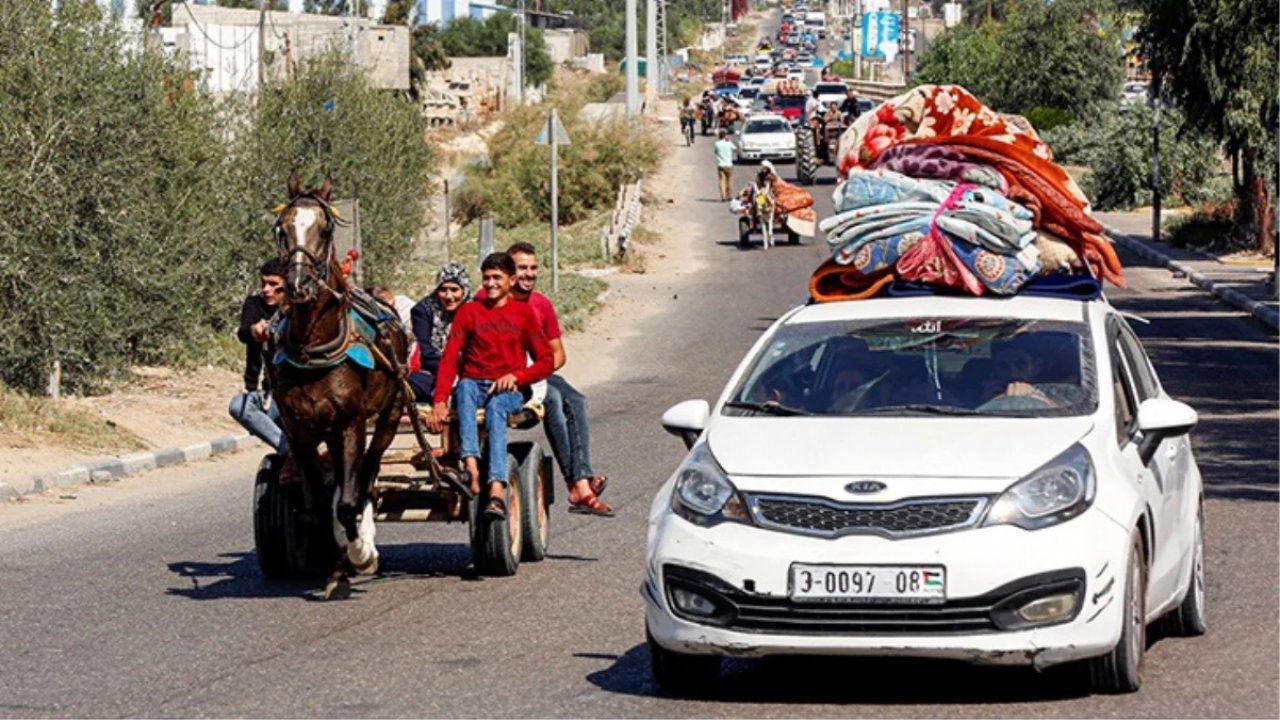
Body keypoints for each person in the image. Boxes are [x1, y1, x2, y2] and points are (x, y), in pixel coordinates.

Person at [427, 253, 555, 518]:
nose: (491, 283)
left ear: (511, 280)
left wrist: (518, 377)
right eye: (486, 278)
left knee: (496, 408)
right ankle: (471, 467)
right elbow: (450, 357)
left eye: (497, 277)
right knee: (463, 390)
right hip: (474, 383)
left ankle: (496, 487)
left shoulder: (524, 314)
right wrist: (440, 400)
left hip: (510, 390)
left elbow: (546, 361)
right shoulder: (469, 311)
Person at [505, 242, 613, 517]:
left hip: (536, 373)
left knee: (575, 399)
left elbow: (558, 354)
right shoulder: (494, 300)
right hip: (505, 374)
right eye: (522, 269)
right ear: (508, 271)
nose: (529, 274)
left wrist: (535, 373)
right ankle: (577, 485)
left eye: (533, 268)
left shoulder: (541, 304)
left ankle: (582, 478)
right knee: (553, 398)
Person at [229, 259, 288, 454]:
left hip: (296, 392)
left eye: (273, 285)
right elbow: (244, 333)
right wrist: (255, 330)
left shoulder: (297, 310)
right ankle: (289, 451)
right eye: (263, 283)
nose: (266, 289)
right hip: (270, 394)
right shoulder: (254, 304)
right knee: (239, 407)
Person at [408, 262, 472, 402]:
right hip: (435, 370)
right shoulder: (423, 311)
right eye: (443, 290)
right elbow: (425, 353)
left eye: (454, 290)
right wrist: (449, 370)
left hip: (469, 372)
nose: (449, 296)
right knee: (412, 382)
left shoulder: (475, 310)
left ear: (465, 290)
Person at [714, 129, 736, 202]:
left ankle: (723, 196)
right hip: (729, 164)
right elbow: (735, 149)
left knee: (721, 181)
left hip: (721, 165)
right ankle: (728, 195)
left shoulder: (717, 144)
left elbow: (716, 152)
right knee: (729, 181)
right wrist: (729, 141)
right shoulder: (729, 143)